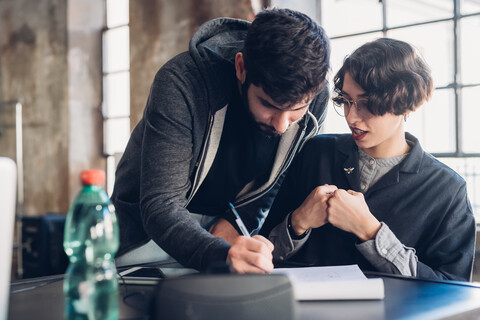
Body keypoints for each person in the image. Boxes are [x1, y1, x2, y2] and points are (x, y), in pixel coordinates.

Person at [111, 8, 331, 273]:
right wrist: (219, 253)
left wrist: (236, 221)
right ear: (241, 67)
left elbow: (276, 177)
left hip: (228, 234)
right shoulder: (183, 82)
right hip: (146, 238)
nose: (282, 125)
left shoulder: (315, 100)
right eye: (269, 105)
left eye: (295, 110)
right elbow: (161, 205)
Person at [260, 38, 476, 281]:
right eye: (347, 101)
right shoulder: (314, 153)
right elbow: (263, 255)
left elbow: (452, 292)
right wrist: (297, 222)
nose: (352, 117)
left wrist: (370, 231)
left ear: (407, 105)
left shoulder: (447, 190)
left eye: (367, 104)